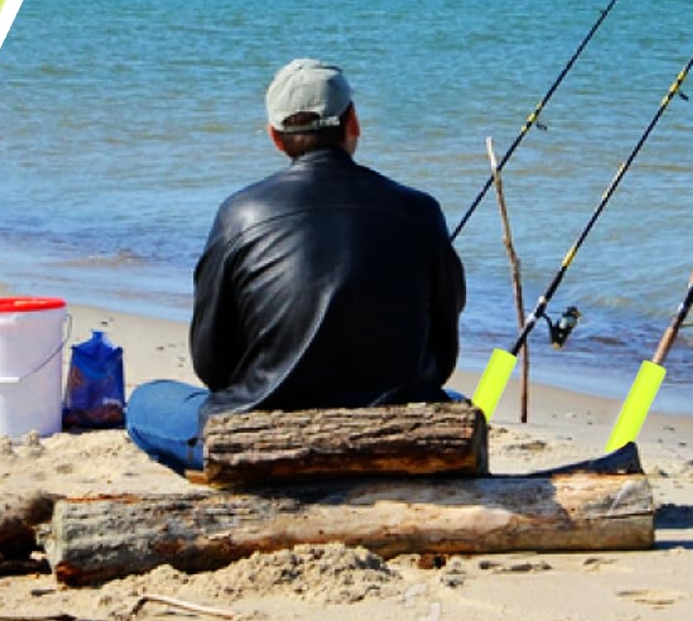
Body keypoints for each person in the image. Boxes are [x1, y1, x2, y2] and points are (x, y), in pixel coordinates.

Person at [126, 58, 467, 473]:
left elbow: (212, 366)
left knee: (144, 402)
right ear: (353, 122)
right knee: (455, 401)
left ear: (275, 137)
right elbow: (443, 355)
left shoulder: (240, 214)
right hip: (389, 429)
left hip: (259, 436)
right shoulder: (421, 210)